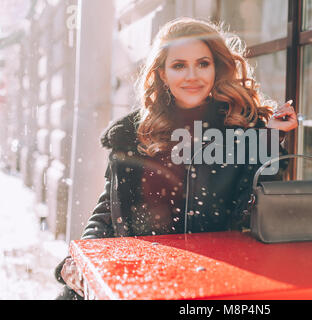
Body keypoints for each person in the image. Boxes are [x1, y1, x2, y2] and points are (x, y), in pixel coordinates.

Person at [54, 17, 298, 300]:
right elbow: (107, 214)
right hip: (141, 286)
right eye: (179, 65)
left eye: (203, 63)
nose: (192, 75)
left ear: (217, 68)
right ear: (162, 74)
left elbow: (254, 213)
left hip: (219, 287)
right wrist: (78, 262)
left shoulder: (245, 131)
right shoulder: (132, 136)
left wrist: (268, 140)